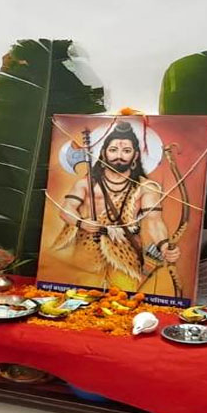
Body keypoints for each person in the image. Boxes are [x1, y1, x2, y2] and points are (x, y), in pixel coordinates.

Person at [53, 121, 182, 291]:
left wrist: (164, 245)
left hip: (125, 250)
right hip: (87, 248)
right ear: (104, 153)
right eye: (113, 150)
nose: (119, 156)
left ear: (135, 155)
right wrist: (81, 223)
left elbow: (154, 221)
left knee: (124, 297)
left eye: (126, 151)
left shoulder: (146, 187)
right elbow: (66, 209)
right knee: (80, 295)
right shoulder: (86, 183)